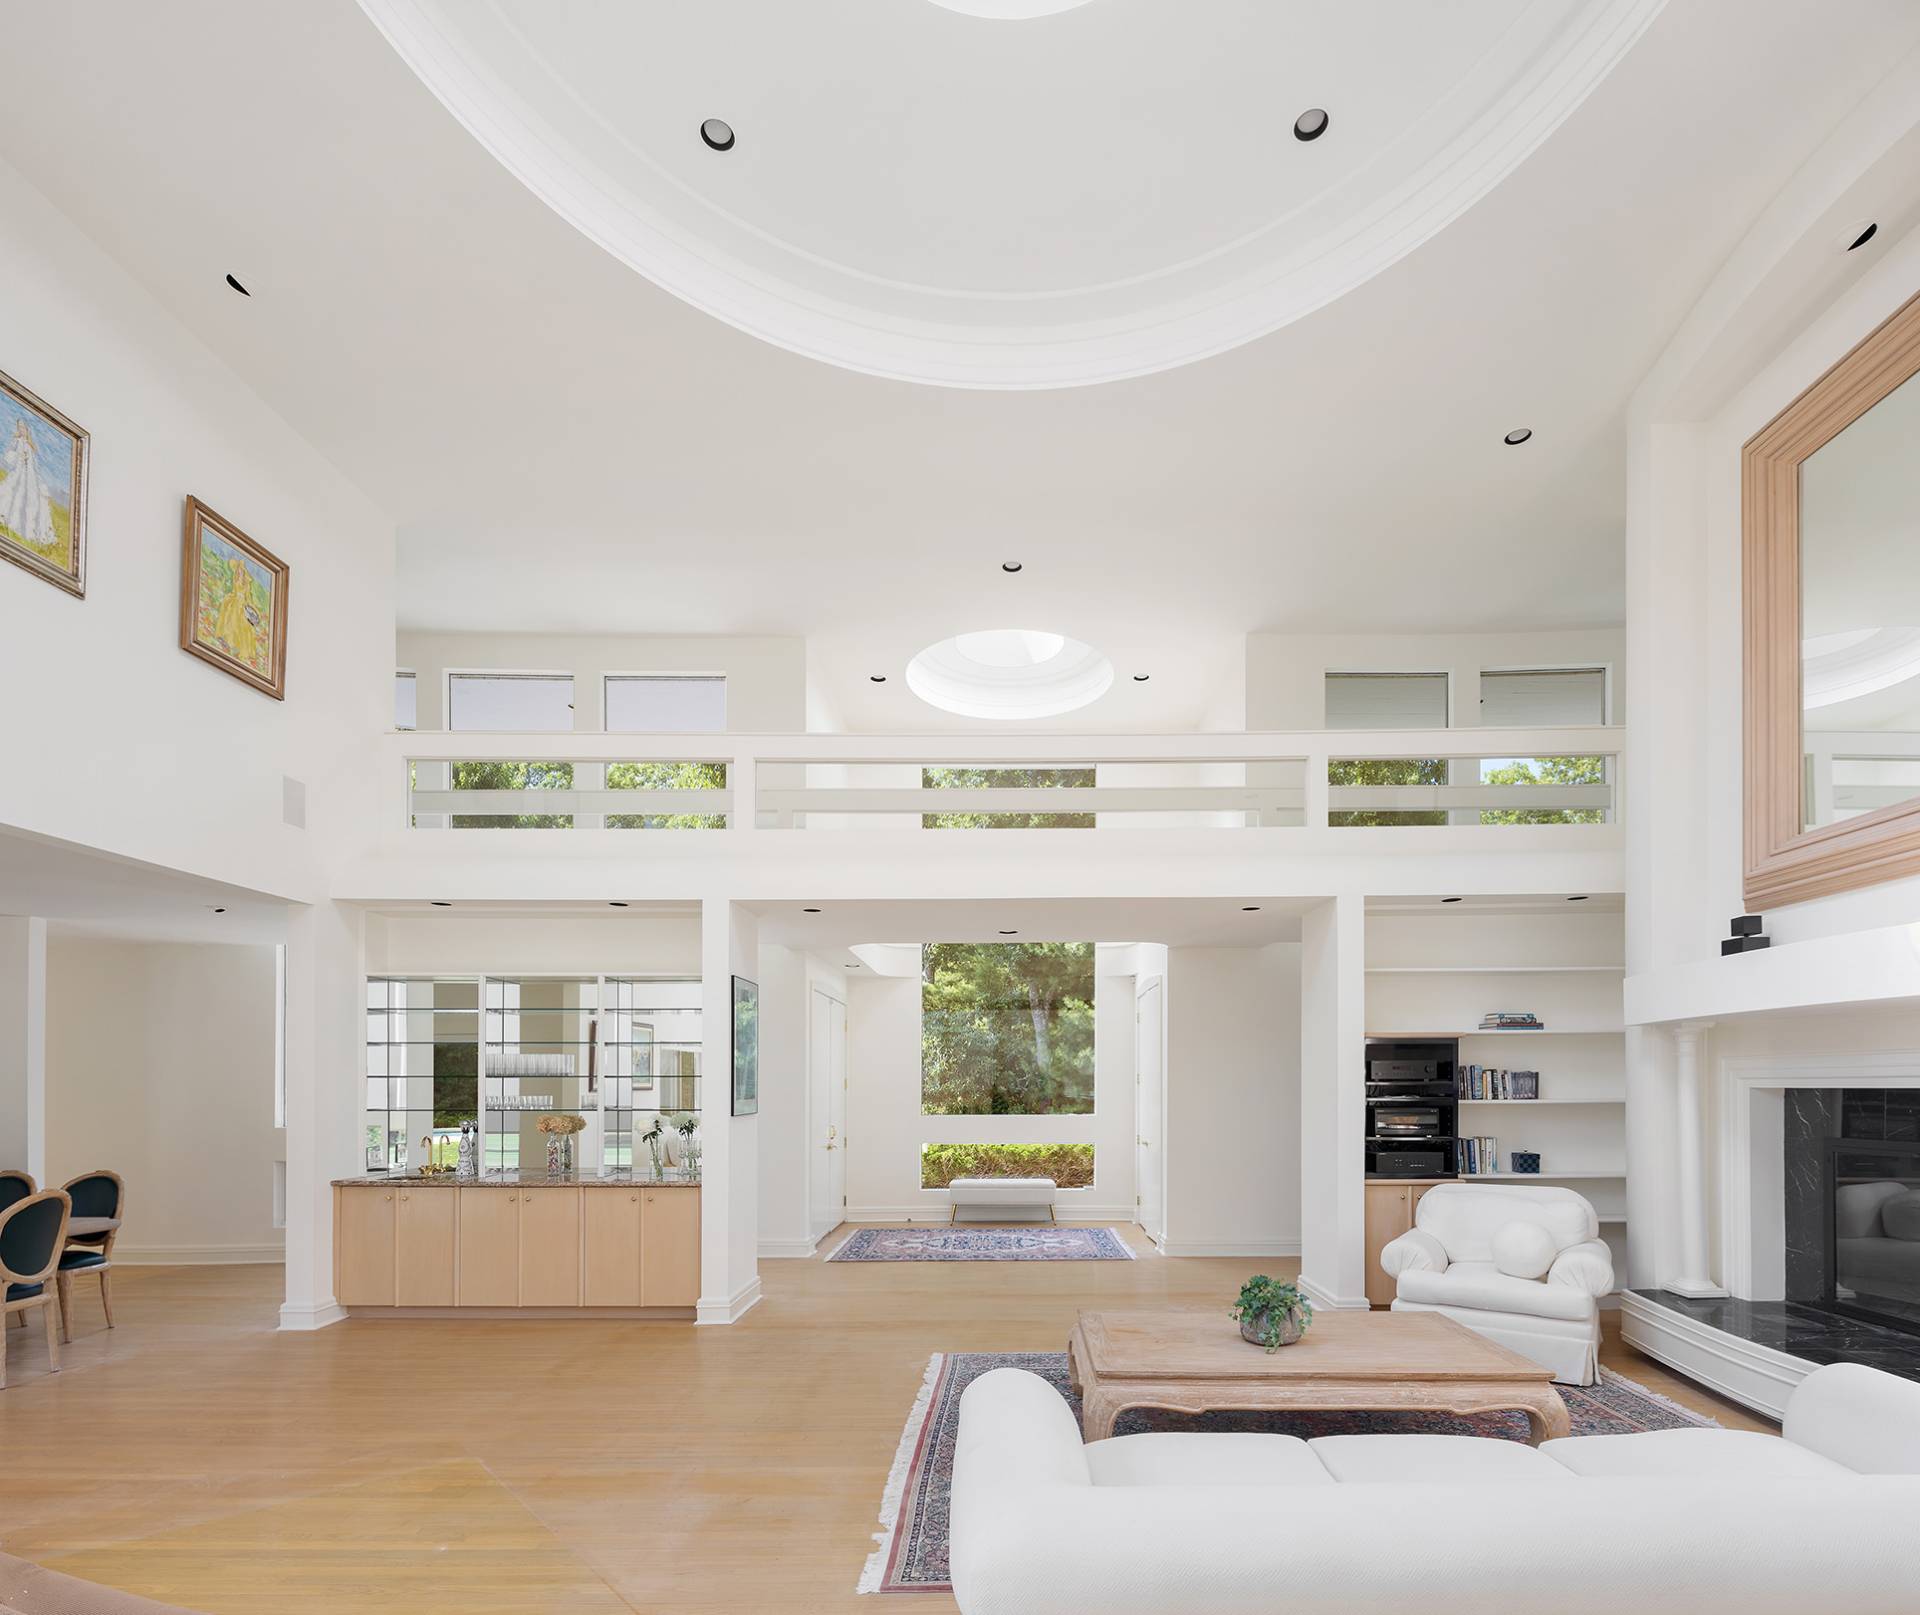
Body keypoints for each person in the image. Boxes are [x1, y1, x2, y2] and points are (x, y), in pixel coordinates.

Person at [0, 414, 60, 552]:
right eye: (19, 427)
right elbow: (8, 455)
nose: (21, 430)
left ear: (27, 429)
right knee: (14, 494)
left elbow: (35, 467)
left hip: (30, 476)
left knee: (31, 500)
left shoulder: (30, 445)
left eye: (23, 427)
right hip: (19, 472)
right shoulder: (17, 441)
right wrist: (18, 457)